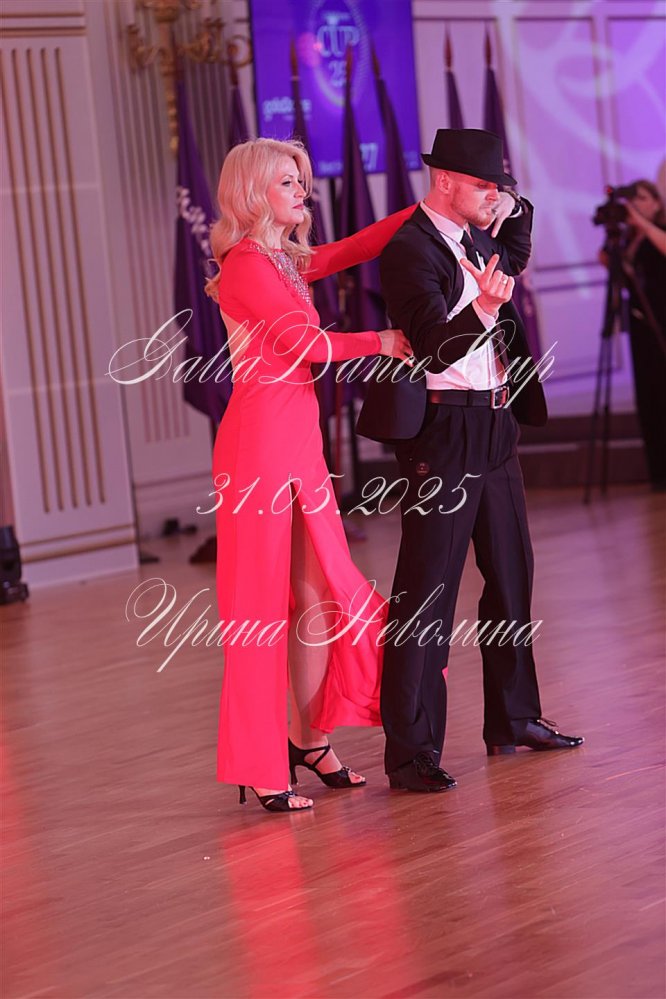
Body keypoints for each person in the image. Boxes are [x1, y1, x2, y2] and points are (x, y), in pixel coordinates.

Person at [358, 128, 583, 793]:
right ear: (445, 181)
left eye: (498, 187)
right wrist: (484, 305)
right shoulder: (409, 250)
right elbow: (431, 344)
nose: (494, 197)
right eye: (484, 186)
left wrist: (514, 205)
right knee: (427, 592)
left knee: (513, 574)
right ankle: (411, 752)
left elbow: (518, 244)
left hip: (496, 423)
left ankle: (515, 717)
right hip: (443, 432)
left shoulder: (478, 239)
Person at [205, 138, 414, 813]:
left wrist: (425, 211)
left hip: (297, 442)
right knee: (259, 609)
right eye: (288, 182)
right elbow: (307, 346)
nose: (303, 191)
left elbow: (351, 249)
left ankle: (310, 740)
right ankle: (261, 764)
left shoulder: (282, 258)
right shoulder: (245, 264)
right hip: (258, 448)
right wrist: (382, 342)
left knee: (316, 594)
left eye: (302, 180)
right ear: (253, 192)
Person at [605, 181, 666, 490]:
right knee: (649, 395)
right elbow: (611, 264)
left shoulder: (658, 230)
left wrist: (641, 223)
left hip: (662, 319)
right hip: (641, 323)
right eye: (634, 200)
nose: (637, 205)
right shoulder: (631, 237)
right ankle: (658, 472)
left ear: (657, 202)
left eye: (642, 199)